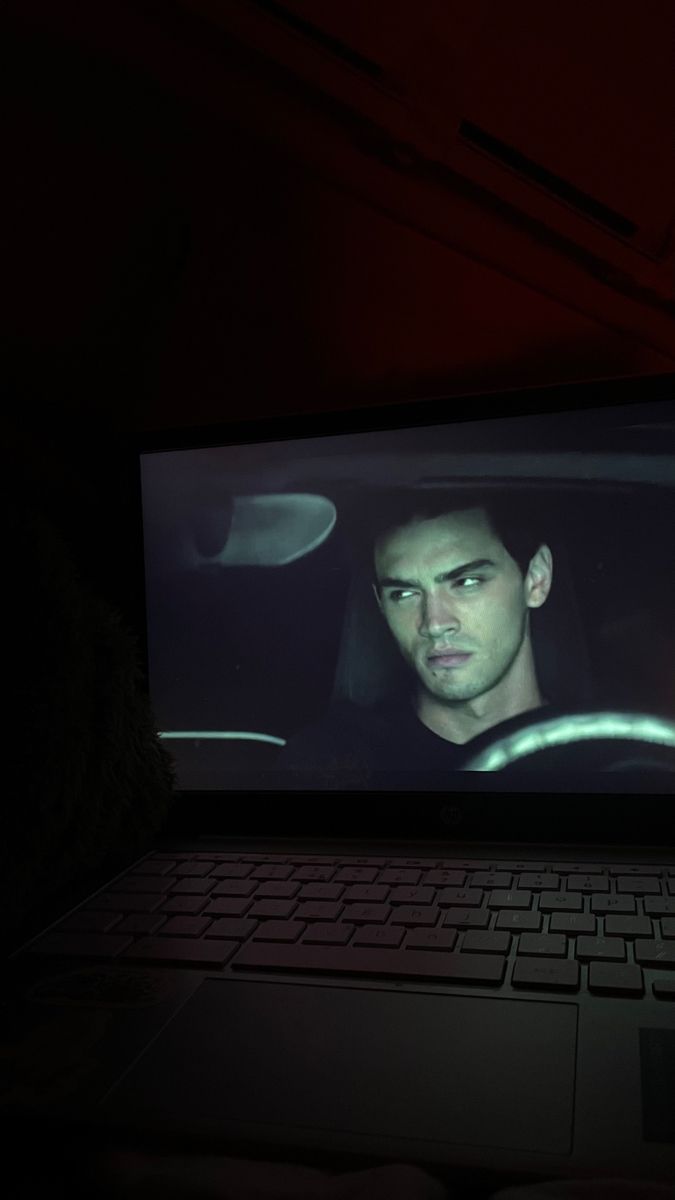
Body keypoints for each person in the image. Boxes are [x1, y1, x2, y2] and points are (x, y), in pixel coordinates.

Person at [278, 490, 554, 778]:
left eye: (467, 581)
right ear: (380, 603)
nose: (434, 624)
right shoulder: (333, 761)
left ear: (537, 579)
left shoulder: (594, 746)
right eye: (404, 593)